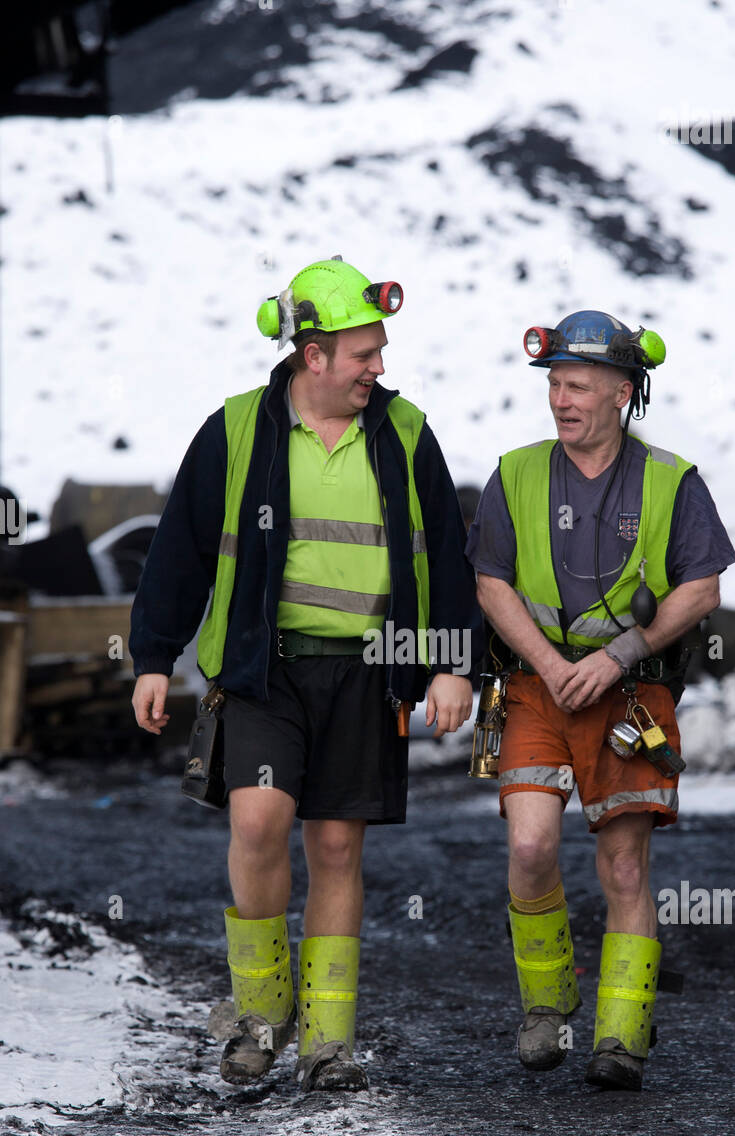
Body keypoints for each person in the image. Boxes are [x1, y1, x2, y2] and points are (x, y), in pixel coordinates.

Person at [130, 257, 479, 1093]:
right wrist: (151, 656)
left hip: (368, 675)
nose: (380, 367)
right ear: (312, 354)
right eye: (364, 352)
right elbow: (178, 550)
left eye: (382, 349)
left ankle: (328, 1040)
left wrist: (452, 664)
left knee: (333, 845)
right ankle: (261, 1013)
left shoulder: (404, 434)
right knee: (255, 825)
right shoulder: (237, 429)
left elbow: (448, 558)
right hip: (264, 668)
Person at [466, 309, 735, 1091]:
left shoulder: (671, 481)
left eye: (578, 385)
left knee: (623, 868)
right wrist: (551, 665)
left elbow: (704, 585)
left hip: (629, 699)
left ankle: (620, 1038)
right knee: (528, 849)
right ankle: (546, 1008)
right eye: (554, 384)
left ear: (622, 391)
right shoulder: (515, 473)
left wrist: (621, 654)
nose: (561, 400)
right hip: (536, 688)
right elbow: (491, 584)